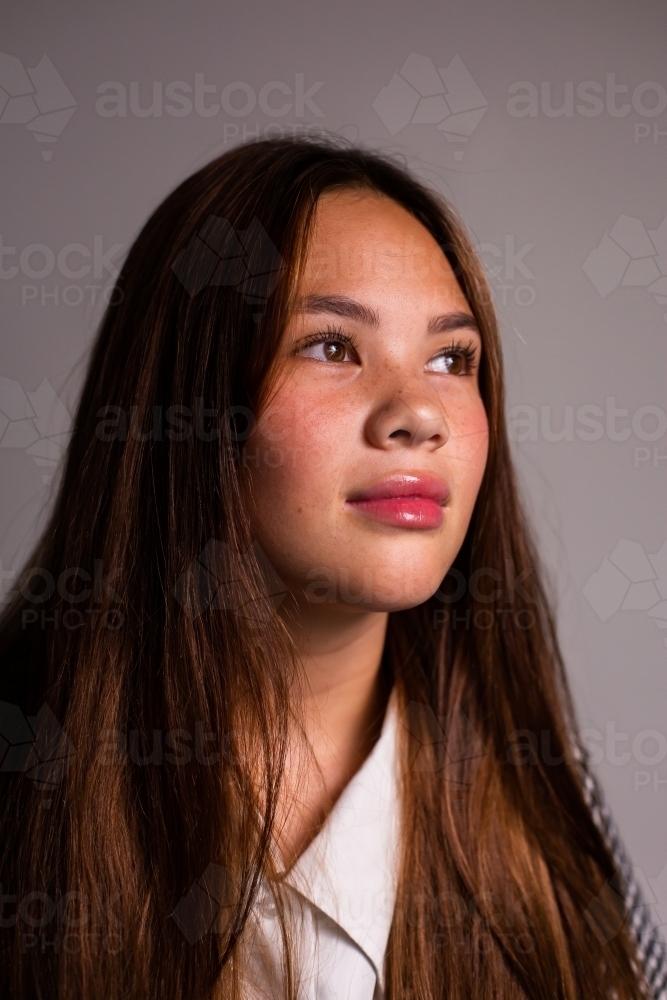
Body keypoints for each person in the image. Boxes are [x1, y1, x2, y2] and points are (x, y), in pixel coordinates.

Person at [0, 137, 664, 1000]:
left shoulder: (541, 794)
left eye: (450, 359)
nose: (418, 412)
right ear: (189, 403)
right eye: (330, 346)